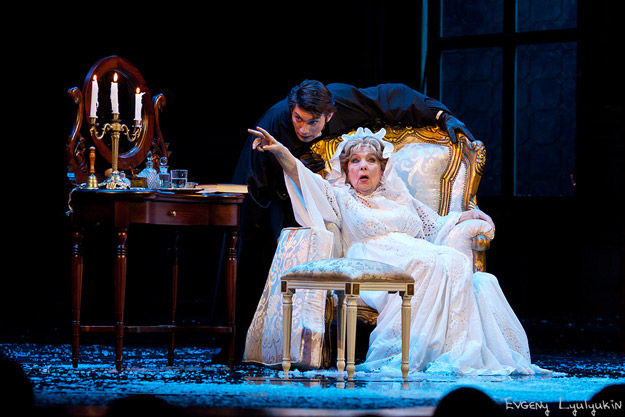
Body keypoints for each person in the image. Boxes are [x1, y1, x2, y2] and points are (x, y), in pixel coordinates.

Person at [244, 125, 547, 375]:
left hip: (409, 250)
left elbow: (435, 224)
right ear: (346, 169)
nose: (363, 166)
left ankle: (453, 351)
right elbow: (304, 178)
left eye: (371, 160)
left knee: (460, 264)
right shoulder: (339, 196)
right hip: (372, 257)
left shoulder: (399, 198)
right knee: (427, 262)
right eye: (355, 161)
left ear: (382, 167)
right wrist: (280, 151)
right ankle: (414, 350)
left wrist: (466, 215)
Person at [230, 80, 476, 361]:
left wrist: (440, 114)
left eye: (312, 122)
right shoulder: (281, 128)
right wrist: (283, 154)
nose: (303, 129)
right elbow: (283, 183)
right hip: (267, 191)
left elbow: (389, 97)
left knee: (454, 262)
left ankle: (447, 348)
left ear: (330, 116)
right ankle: (240, 344)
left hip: (398, 243)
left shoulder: (393, 191)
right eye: (298, 119)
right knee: (255, 250)